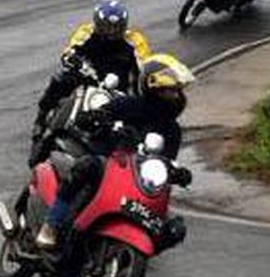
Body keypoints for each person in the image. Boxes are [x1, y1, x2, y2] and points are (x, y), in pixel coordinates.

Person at [35, 53, 195, 250]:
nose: (177, 97)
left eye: (178, 91)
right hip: (107, 165)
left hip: (137, 182)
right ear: (155, 89)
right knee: (87, 167)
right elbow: (89, 118)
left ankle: (134, 249)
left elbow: (166, 160)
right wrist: (100, 119)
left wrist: (176, 172)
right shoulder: (128, 105)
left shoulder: (172, 129)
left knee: (174, 228)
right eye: (171, 91)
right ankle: (51, 225)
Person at [32, 0, 151, 143]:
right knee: (61, 80)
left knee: (139, 117)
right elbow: (70, 51)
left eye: (117, 27)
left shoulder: (135, 40)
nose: (112, 32)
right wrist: (73, 59)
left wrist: (146, 81)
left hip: (118, 88)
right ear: (98, 24)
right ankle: (41, 117)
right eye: (107, 27)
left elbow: (145, 65)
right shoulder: (86, 32)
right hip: (88, 78)